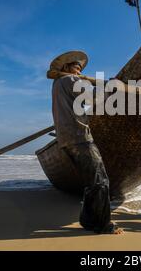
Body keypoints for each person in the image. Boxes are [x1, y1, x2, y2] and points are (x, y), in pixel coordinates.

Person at [48, 50, 123, 235]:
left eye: (81, 69)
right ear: (66, 67)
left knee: (93, 181)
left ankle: (89, 220)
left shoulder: (57, 84)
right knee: (100, 181)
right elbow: (93, 98)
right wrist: (111, 86)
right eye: (76, 67)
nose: (79, 72)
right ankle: (102, 224)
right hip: (79, 137)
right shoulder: (68, 80)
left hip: (66, 139)